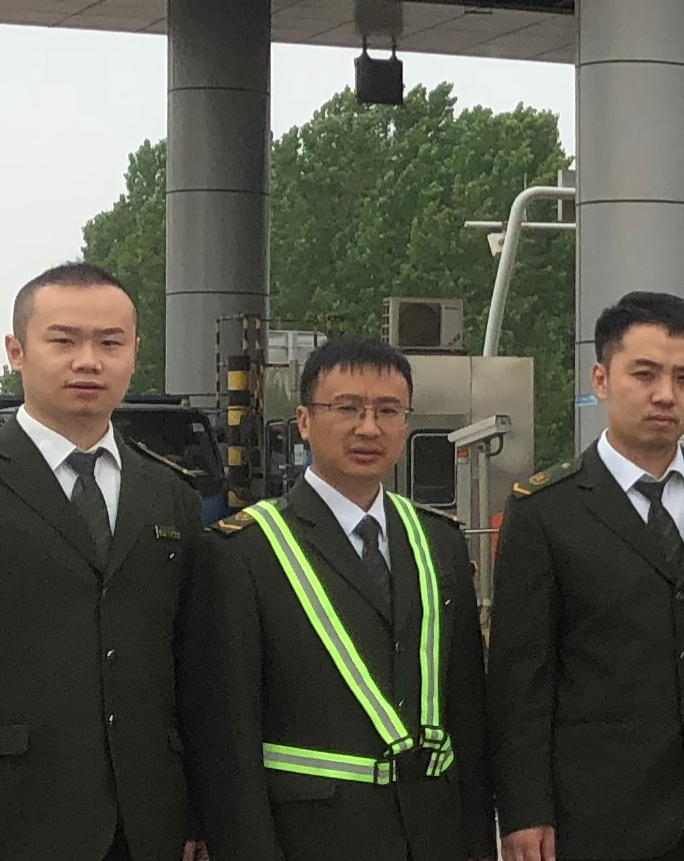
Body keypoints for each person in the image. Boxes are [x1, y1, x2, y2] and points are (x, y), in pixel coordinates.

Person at [0, 263, 208, 861]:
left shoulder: (170, 493)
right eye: (64, 341)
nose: (88, 361)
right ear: (16, 351)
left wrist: (201, 813)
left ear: (134, 353)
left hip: (149, 826)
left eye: (110, 344)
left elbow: (193, 670)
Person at [490, 292, 684, 861]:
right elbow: (519, 680)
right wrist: (524, 810)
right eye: (644, 374)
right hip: (595, 812)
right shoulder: (546, 511)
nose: (666, 394)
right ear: (601, 379)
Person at [189, 336, 494, 861]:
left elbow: (465, 714)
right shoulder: (244, 552)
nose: (369, 428)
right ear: (305, 421)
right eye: (347, 408)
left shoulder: (438, 542)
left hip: (433, 835)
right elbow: (227, 741)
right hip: (311, 838)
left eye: (388, 411)